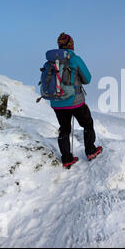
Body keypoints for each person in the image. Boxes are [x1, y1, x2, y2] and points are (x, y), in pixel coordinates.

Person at [51, 32, 102, 169]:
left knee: (64, 129)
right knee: (87, 123)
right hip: (75, 101)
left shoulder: (50, 60)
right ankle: (90, 150)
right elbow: (88, 79)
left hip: (56, 102)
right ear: (71, 45)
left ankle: (67, 159)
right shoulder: (75, 59)